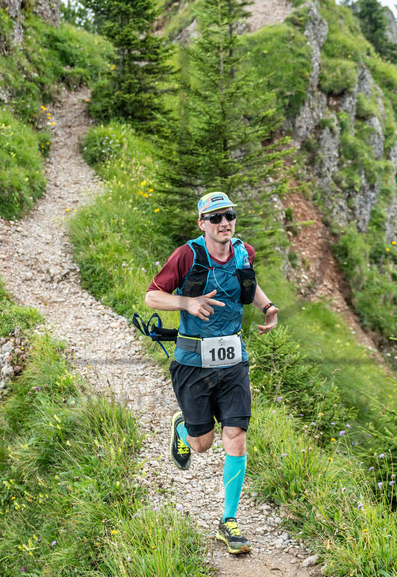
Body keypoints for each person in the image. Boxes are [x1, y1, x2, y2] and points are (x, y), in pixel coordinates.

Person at [145, 191, 279, 554]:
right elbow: (152, 296)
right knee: (202, 444)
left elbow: (247, 288)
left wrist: (267, 306)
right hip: (193, 362)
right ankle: (184, 429)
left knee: (236, 434)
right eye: (216, 217)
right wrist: (187, 302)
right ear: (202, 223)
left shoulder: (243, 252)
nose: (225, 223)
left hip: (234, 359)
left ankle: (228, 520)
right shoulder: (187, 255)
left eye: (230, 215)